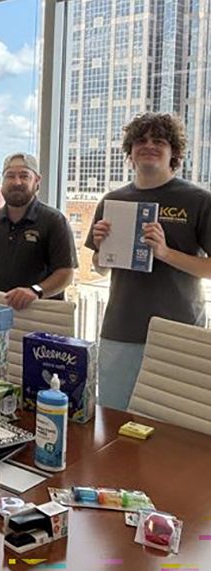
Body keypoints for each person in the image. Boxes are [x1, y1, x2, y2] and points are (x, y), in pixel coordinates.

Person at [86, 112, 211, 410]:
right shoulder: (113, 201)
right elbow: (99, 267)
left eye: (159, 140)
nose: (149, 145)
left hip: (179, 329)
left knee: (172, 425)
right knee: (114, 417)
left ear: (174, 152)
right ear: (130, 151)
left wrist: (166, 253)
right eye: (140, 140)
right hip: (122, 328)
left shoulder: (198, 200)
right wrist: (102, 249)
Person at [0, 152, 76, 310]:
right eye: (10, 176)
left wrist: (35, 291)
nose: (17, 182)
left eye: (24, 176)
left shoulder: (54, 221)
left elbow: (66, 273)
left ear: (37, 181)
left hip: (41, 315)